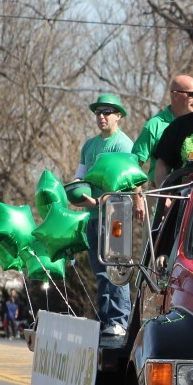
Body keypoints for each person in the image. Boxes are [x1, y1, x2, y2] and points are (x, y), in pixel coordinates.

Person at [73, 92, 135, 337]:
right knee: (100, 270)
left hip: (116, 216)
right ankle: (107, 318)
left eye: (107, 112)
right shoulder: (89, 145)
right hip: (93, 216)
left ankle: (120, 319)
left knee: (117, 268)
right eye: (98, 112)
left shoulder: (124, 145)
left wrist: (100, 199)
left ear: (118, 116)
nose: (102, 116)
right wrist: (74, 192)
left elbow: (126, 184)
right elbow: (80, 176)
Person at [130, 74, 193, 220]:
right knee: (155, 242)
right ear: (175, 96)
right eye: (192, 94)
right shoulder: (155, 125)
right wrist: (138, 199)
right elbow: (133, 166)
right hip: (159, 195)